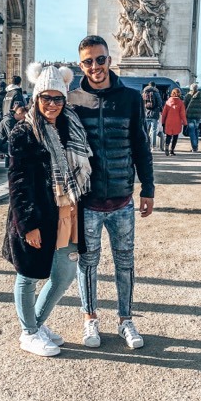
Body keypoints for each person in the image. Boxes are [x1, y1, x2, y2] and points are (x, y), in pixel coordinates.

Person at [68, 35, 154, 350]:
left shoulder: (131, 99)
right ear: (81, 65)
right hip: (87, 200)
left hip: (122, 198)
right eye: (88, 61)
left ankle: (125, 320)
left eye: (100, 59)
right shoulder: (71, 100)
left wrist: (148, 187)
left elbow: (141, 146)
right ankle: (90, 319)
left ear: (110, 59)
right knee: (87, 263)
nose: (95, 66)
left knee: (125, 262)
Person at [3, 63, 92, 357]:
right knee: (28, 275)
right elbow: (17, 182)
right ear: (36, 98)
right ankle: (29, 333)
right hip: (38, 214)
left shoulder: (71, 125)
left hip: (68, 211)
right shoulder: (23, 132)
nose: (52, 104)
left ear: (65, 99)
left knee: (64, 275)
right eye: (46, 98)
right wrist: (28, 225)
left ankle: (35, 325)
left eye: (58, 98)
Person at [161, 87, 187, 156]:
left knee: (168, 135)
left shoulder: (168, 102)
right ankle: (172, 150)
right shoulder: (181, 103)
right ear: (179, 94)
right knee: (175, 136)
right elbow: (183, 114)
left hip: (168, 121)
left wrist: (163, 122)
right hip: (177, 122)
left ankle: (166, 145)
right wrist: (185, 123)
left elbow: (164, 114)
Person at [141, 81, 163, 150]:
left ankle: (145, 144)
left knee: (145, 130)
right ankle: (153, 146)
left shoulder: (144, 92)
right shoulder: (156, 92)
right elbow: (160, 103)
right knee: (154, 130)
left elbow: (141, 103)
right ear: (154, 86)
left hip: (146, 114)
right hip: (154, 114)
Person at [183, 83, 201, 152]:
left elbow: (184, 105)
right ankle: (196, 146)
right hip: (198, 116)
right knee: (196, 131)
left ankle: (194, 147)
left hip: (190, 116)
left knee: (192, 132)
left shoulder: (188, 96)